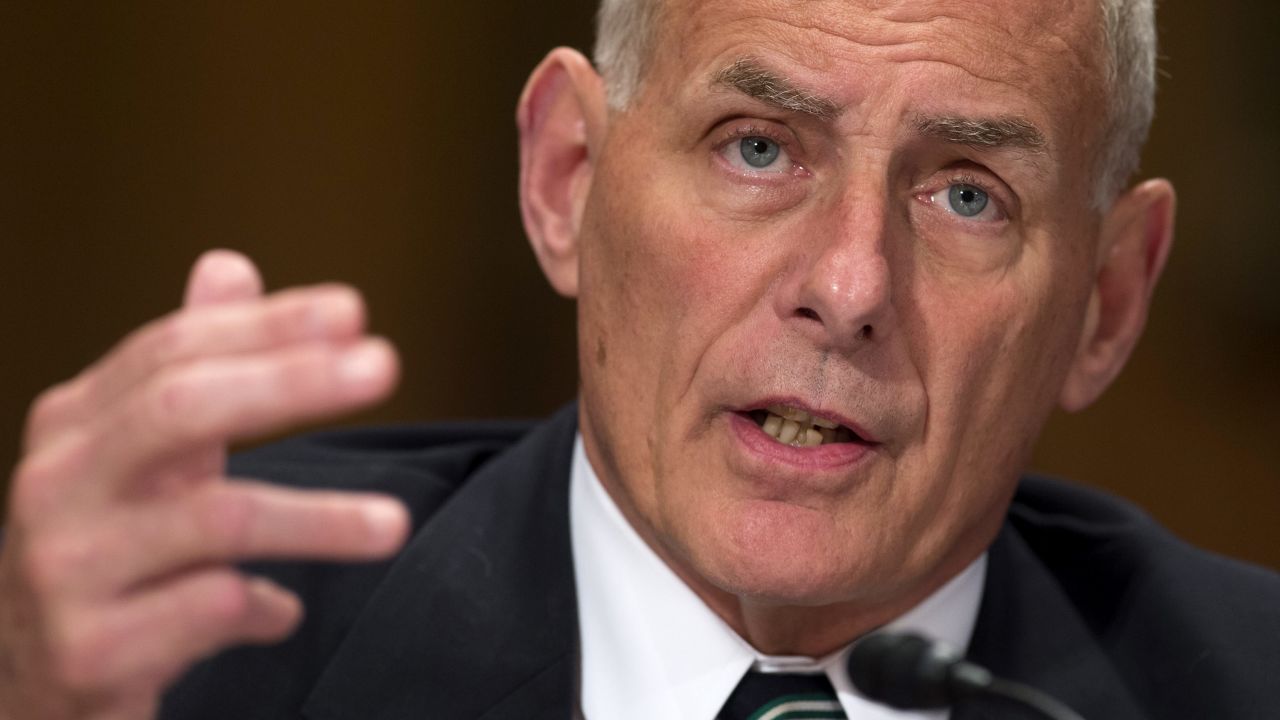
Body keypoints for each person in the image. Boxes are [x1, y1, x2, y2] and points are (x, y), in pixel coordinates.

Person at [1, 0, 1276, 718]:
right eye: (757, 148)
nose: (847, 288)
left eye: (965, 196)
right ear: (567, 180)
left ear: (1105, 304)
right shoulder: (189, 654)